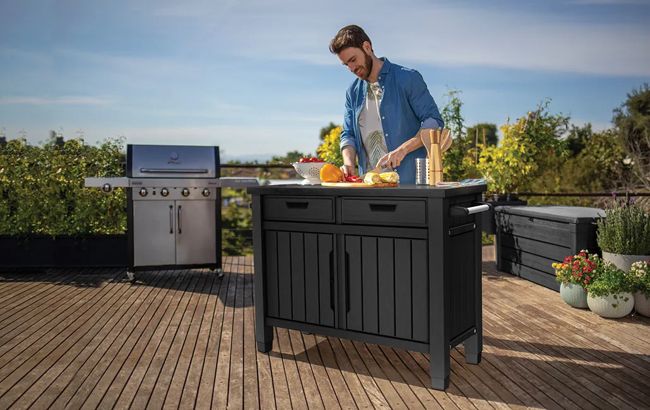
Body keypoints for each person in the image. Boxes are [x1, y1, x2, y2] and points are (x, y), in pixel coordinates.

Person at [329, 25, 446, 184]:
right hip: (369, 186)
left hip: (410, 186)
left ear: (367, 47)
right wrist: (348, 163)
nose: (351, 68)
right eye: (346, 64)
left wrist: (403, 149)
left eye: (353, 60)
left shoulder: (407, 78)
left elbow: (434, 123)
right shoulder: (352, 92)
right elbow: (348, 134)